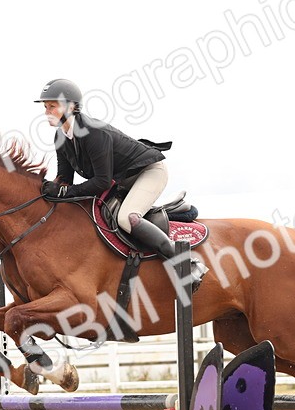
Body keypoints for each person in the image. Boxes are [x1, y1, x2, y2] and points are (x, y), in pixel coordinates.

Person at [35, 78, 205, 287]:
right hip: (123, 180)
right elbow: (65, 180)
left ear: (70, 106)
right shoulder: (60, 137)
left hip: (150, 171)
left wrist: (63, 192)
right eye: (45, 107)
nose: (46, 112)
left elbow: (102, 182)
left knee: (127, 218)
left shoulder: (93, 133)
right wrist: (45, 189)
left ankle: (187, 265)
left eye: (52, 106)